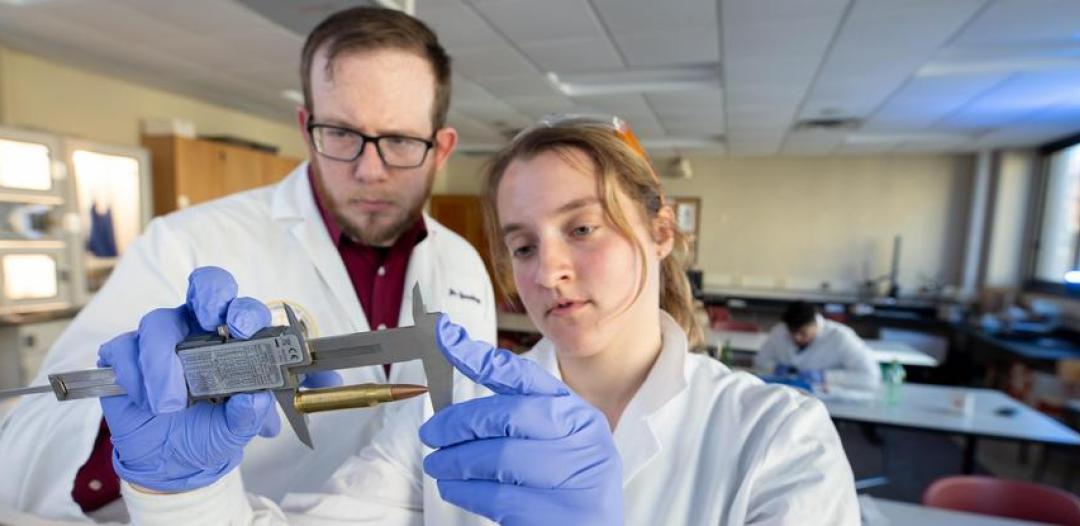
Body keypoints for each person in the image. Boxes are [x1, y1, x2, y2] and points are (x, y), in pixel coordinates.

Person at [119, 115, 860, 524]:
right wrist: (180, 490)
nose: (548, 271)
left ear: (661, 232)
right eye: (522, 244)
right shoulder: (452, 411)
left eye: (583, 228)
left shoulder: (776, 437)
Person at [0, 7, 499, 522]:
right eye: (341, 134)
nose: (369, 170)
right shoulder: (184, 242)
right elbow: (27, 446)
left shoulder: (463, 265)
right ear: (307, 128)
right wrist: (133, 441)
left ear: (441, 149)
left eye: (398, 140)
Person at [755, 301, 882, 391]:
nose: (796, 338)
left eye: (803, 333)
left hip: (827, 403)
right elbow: (760, 361)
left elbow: (870, 377)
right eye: (792, 333)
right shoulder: (780, 330)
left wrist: (825, 376)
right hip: (788, 397)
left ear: (815, 324)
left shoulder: (841, 337)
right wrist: (775, 368)